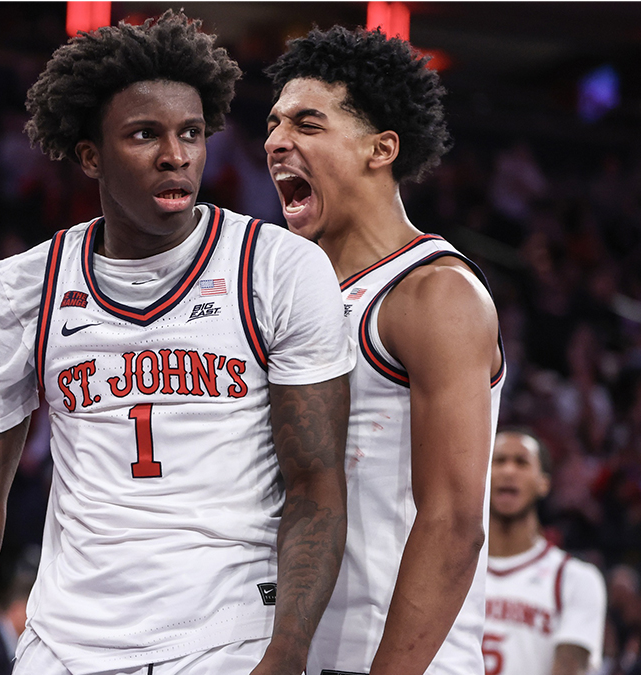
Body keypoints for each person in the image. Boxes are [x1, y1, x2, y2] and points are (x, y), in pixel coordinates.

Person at [0, 11, 354, 675]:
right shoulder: (20, 289)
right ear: (90, 154)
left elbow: (317, 486)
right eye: (144, 134)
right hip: (64, 643)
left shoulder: (277, 268)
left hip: (225, 638)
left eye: (190, 134)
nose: (175, 155)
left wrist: (286, 653)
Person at [264, 26, 504, 675]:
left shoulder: (436, 293)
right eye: (275, 123)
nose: (277, 140)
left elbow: (455, 520)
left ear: (382, 147)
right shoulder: (290, 294)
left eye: (308, 124)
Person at [483, 430, 606, 675]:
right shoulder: (451, 572)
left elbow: (570, 668)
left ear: (543, 483)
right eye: (498, 461)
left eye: (521, 462)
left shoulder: (574, 579)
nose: (508, 471)